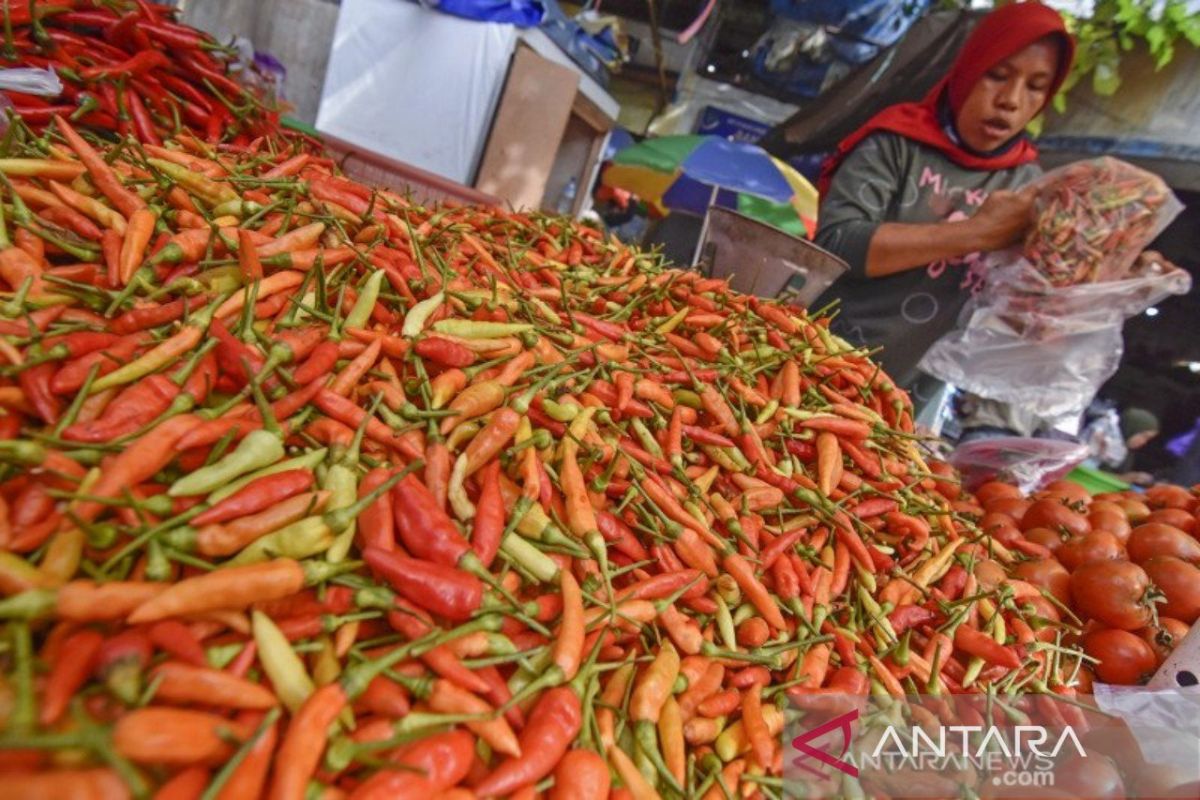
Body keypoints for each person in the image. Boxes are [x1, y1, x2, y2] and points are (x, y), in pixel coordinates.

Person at [811, 2, 1075, 423]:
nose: (1010, 101)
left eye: (1035, 86)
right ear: (969, 68)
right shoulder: (895, 144)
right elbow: (835, 246)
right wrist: (977, 233)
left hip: (902, 405)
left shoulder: (1029, 188)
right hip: (812, 363)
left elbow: (1023, 309)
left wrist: (1109, 281)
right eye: (997, 75)